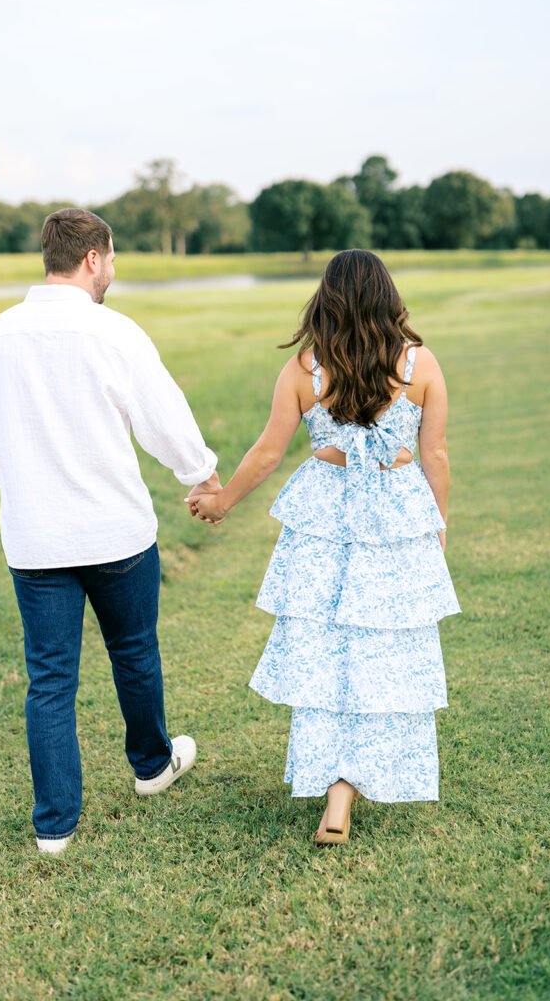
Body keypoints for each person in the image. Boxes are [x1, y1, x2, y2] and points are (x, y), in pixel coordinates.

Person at [0, 208, 221, 854]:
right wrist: (201, 473)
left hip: (35, 536)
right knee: (133, 652)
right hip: (116, 533)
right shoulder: (114, 331)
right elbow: (163, 417)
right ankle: (151, 767)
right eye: (110, 259)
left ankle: (55, 828)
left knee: (50, 678)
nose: (112, 270)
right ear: (91, 260)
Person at [190, 249, 460, 845]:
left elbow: (267, 453)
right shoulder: (420, 364)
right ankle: (347, 790)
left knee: (327, 651)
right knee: (386, 651)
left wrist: (221, 501)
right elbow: (435, 454)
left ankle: (335, 792)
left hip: (325, 522)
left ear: (326, 300)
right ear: (388, 298)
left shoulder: (305, 369)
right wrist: (436, 522)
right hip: (395, 520)